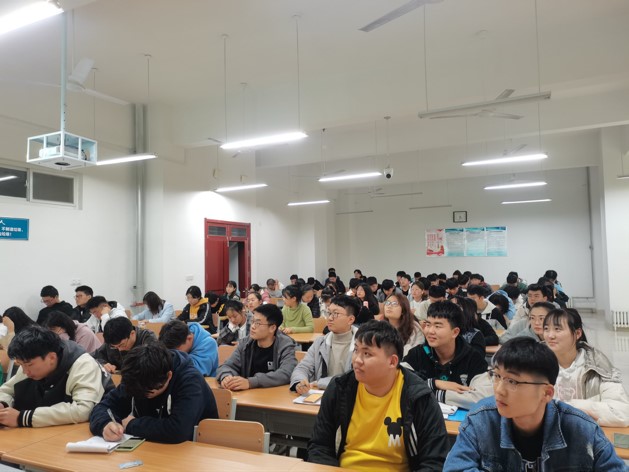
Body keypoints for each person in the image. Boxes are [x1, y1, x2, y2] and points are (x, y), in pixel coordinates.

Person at [444, 337, 626, 471]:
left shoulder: (581, 429)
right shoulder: (481, 420)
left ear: (546, 393)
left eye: (512, 381)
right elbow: (456, 468)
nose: (499, 390)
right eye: (497, 376)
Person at [307, 320, 449, 470]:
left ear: (392, 361)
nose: (357, 360)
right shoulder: (340, 388)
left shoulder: (419, 397)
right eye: (356, 350)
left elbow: (434, 461)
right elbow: (319, 446)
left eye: (367, 354)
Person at [90, 342, 218, 444]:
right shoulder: (136, 376)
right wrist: (105, 424)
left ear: (168, 376)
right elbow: (103, 407)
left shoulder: (190, 381)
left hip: (196, 449)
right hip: (152, 447)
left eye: (149, 392)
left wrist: (131, 425)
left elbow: (179, 430)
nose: (143, 396)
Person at [0, 325, 107, 428]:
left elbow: (83, 410)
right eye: (20, 364)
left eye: (29, 364)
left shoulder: (83, 364)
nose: (24, 371)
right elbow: (6, 391)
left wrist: (23, 418)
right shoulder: (29, 364)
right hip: (43, 432)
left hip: (87, 431)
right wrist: (2, 404)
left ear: (51, 357)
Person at [543, 308, 629, 427]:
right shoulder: (537, 365)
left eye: (557, 329)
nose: (550, 335)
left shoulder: (596, 366)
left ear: (578, 333)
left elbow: (622, 414)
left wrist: (571, 407)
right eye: (546, 329)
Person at [403, 301, 488, 403]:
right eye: (428, 324)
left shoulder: (473, 358)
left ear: (455, 332)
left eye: (437, 326)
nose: (430, 331)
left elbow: (482, 396)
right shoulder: (417, 353)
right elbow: (398, 381)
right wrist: (435, 383)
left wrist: (436, 394)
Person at [217, 304, 297, 391]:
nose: (252, 326)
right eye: (252, 321)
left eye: (258, 323)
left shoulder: (285, 345)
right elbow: (227, 366)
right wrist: (226, 377)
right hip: (248, 395)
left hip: (275, 395)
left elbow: (286, 373)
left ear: (272, 328)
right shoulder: (246, 343)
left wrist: (251, 382)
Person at [290, 295, 359, 394]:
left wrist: (321, 383)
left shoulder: (362, 346)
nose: (329, 318)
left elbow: (354, 380)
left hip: (350, 397)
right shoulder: (320, 342)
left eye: (335, 314)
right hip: (321, 396)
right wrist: (299, 381)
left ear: (350, 319)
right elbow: (303, 367)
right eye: (329, 313)